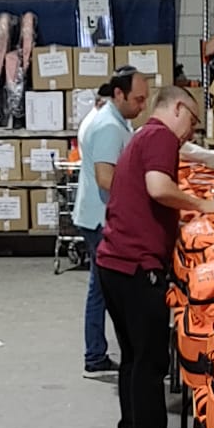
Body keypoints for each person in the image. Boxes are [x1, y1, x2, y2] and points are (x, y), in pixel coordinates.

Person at [97, 83, 214, 428]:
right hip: (137, 266)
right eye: (192, 120)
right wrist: (202, 204)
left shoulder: (143, 135)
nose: (190, 131)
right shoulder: (159, 137)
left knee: (133, 358)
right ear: (176, 109)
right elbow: (158, 188)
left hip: (115, 263)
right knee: (151, 359)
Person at [71, 65, 148, 376]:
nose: (142, 107)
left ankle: (96, 352)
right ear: (119, 94)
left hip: (92, 214)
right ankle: (95, 355)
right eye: (138, 100)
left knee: (99, 288)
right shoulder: (109, 127)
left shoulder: (109, 118)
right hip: (101, 220)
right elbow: (106, 178)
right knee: (103, 290)